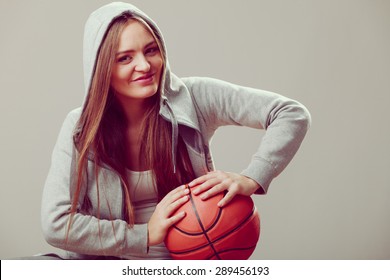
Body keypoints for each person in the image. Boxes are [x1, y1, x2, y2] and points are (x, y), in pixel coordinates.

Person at [41, 2, 311, 260]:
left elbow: (290, 113)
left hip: (192, 263)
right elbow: (57, 223)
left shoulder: (194, 98)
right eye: (125, 58)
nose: (144, 66)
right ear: (102, 69)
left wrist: (253, 176)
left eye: (151, 50)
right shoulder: (81, 127)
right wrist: (143, 234)